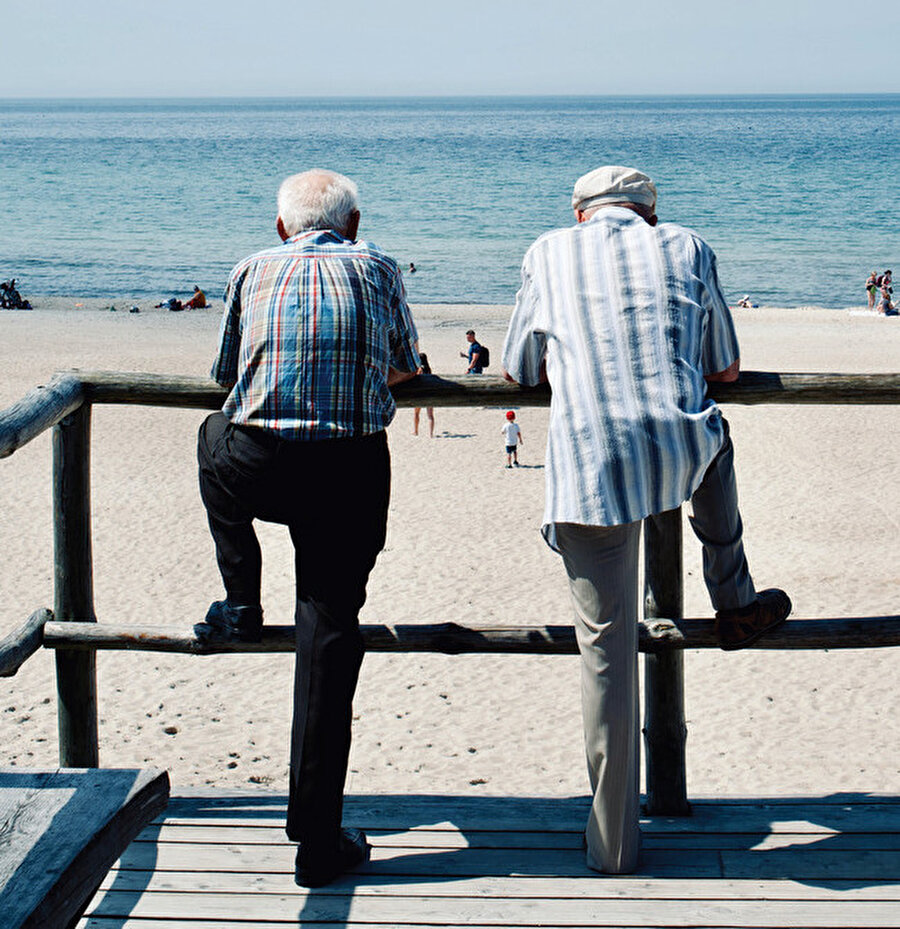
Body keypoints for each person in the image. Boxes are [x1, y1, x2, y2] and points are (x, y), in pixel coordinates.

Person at [502, 165, 791, 876]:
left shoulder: (546, 251)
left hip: (591, 464)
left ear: (579, 215)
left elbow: (516, 368)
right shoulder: (689, 246)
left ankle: (614, 847)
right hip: (676, 450)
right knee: (714, 435)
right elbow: (724, 367)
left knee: (605, 653)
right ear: (650, 216)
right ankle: (733, 598)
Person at [195, 168, 420, 888]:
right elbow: (406, 368)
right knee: (328, 641)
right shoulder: (380, 266)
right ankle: (316, 835)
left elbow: (228, 376)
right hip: (348, 474)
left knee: (209, 436)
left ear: (281, 228)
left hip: (261, 465)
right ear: (354, 225)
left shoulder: (250, 269)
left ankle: (240, 597)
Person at [413, 352, 435, 437]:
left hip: (420, 394)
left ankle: (416, 431)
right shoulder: (429, 369)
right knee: (430, 415)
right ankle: (431, 433)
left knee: (416, 414)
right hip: (429, 393)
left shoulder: (419, 369)